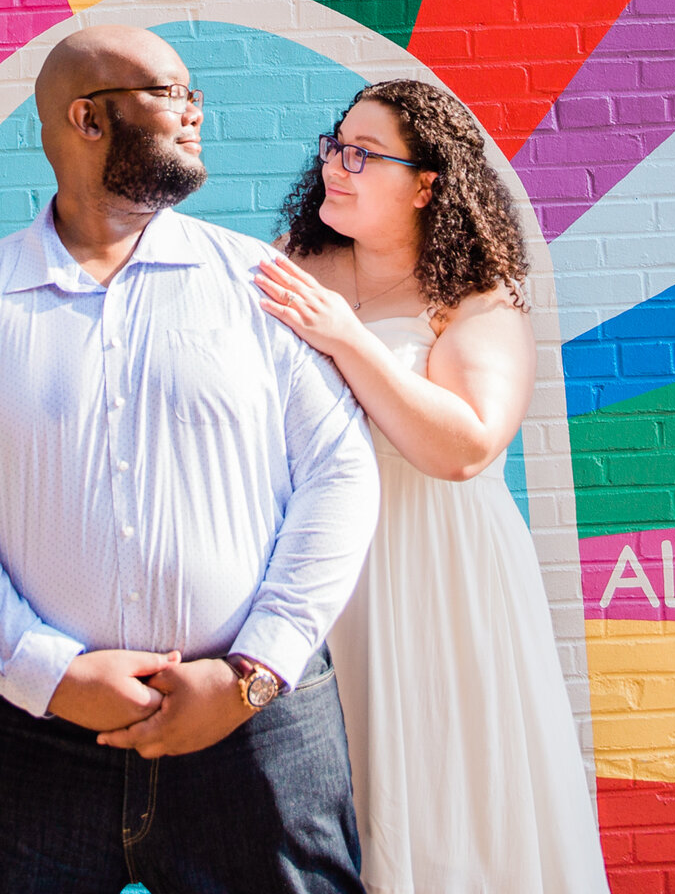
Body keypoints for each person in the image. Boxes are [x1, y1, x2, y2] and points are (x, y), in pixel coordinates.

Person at [0, 24, 382, 894]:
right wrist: (51, 674)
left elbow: (339, 475)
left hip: (255, 734)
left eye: (194, 95)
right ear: (87, 117)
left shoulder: (257, 285)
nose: (195, 112)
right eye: (171, 92)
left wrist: (255, 669)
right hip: (20, 745)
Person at [254, 79, 608, 894]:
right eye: (334, 147)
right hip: (314, 570)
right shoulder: (291, 266)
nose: (335, 167)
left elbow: (464, 447)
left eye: (363, 155)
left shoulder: (477, 300)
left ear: (427, 183)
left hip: (439, 572)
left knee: (448, 790)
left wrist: (346, 338)